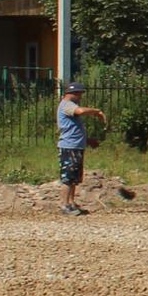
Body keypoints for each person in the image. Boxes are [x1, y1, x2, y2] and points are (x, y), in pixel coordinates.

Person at [56, 80, 106, 216]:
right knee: (68, 177)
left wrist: (88, 140)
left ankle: (71, 203)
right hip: (69, 146)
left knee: (74, 178)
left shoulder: (69, 105)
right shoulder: (67, 105)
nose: (80, 97)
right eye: (79, 94)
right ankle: (64, 204)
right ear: (73, 93)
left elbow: (74, 128)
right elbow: (80, 111)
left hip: (76, 146)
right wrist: (97, 111)